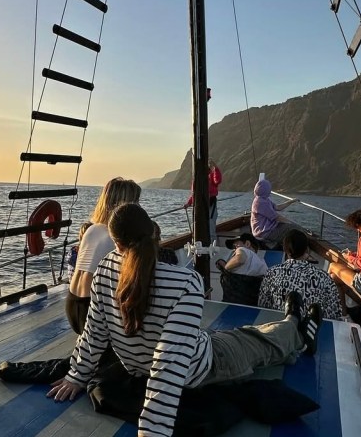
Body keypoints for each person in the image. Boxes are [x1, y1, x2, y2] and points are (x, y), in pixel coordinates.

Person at [48, 203, 323, 437]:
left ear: (115, 242)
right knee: (258, 342)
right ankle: (297, 330)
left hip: (150, 365)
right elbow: (169, 362)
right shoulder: (185, 282)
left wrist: (76, 375)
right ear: (155, 237)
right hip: (204, 366)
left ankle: (292, 323)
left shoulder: (106, 268)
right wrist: (153, 432)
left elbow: (94, 332)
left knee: (240, 335)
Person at [66, 177, 141, 334]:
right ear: (123, 205)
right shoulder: (114, 238)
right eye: (135, 202)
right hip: (90, 313)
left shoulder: (92, 229)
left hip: (72, 304)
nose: (139, 208)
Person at [259, 229, 343, 321]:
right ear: (307, 250)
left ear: (284, 250)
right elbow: (334, 314)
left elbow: (263, 306)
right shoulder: (323, 277)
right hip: (312, 330)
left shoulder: (271, 273)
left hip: (277, 328)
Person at [217, 233, 268, 306]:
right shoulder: (262, 263)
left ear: (247, 244)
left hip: (235, 302)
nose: (234, 250)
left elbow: (240, 259)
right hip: (252, 304)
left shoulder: (242, 249)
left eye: (235, 246)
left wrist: (225, 266)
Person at [251, 178, 298, 249]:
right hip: (263, 233)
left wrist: (291, 201)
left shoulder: (264, 199)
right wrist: (292, 223)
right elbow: (277, 217)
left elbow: (278, 207)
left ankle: (275, 244)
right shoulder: (260, 202)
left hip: (266, 229)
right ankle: (288, 248)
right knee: (293, 229)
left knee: (288, 226)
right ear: (265, 190)